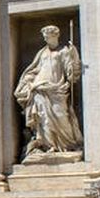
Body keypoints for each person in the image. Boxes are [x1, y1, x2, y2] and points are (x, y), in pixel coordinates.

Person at [14, 25, 83, 158]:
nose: (45, 39)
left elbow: (71, 72)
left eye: (48, 36)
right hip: (39, 88)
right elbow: (34, 69)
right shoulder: (42, 52)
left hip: (57, 89)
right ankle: (49, 146)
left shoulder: (64, 51)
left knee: (61, 115)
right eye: (44, 37)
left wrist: (74, 57)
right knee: (43, 118)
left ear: (55, 36)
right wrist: (28, 80)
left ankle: (68, 145)